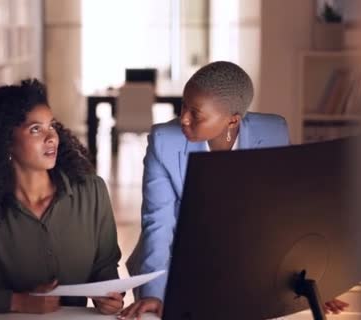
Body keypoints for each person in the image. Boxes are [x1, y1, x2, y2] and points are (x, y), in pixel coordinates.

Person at [120, 61, 349, 319]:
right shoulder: (164, 142)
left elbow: (287, 216)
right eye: (183, 105)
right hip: (176, 265)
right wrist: (155, 294)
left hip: (246, 264)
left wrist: (314, 281)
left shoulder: (272, 133)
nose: (183, 118)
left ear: (233, 119)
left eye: (196, 113)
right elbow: (158, 224)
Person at [0, 79, 124, 315]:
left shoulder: (92, 191)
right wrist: (16, 302)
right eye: (36, 129)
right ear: (4, 142)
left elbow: (105, 265)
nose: (51, 138)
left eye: (52, 126)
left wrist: (110, 297)